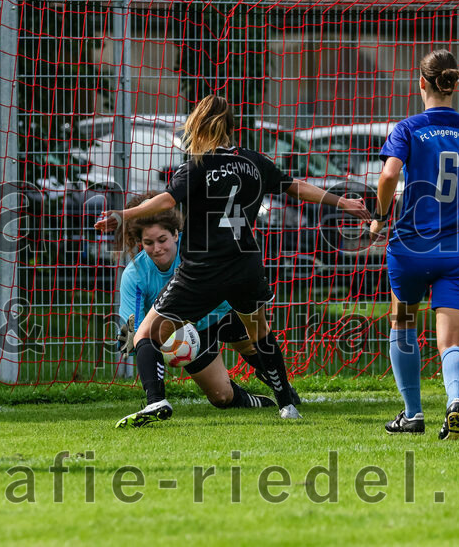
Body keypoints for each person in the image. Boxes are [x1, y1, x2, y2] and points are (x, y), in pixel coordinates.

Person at [96, 95, 370, 427]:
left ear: (198, 125)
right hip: (246, 264)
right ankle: (287, 404)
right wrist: (343, 202)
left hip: (204, 268)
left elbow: (166, 198)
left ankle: (156, 401)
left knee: (146, 336)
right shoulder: (255, 161)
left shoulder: (197, 165)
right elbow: (293, 187)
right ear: (231, 127)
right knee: (261, 334)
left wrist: (122, 214)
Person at [372, 49, 459, 441]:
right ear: (454, 86)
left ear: (422, 82)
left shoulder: (409, 127)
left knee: (403, 323)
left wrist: (380, 215)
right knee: (451, 341)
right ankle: (455, 404)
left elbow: (389, 174)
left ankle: (412, 414)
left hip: (413, 246)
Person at [116, 193, 301, 420]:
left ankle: (280, 385)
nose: (157, 248)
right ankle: (248, 399)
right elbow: (135, 329)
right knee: (221, 397)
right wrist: (129, 337)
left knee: (255, 346)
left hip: (225, 310)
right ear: (139, 243)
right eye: (148, 243)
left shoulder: (197, 245)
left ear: (176, 234)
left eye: (162, 240)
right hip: (191, 333)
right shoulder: (134, 275)